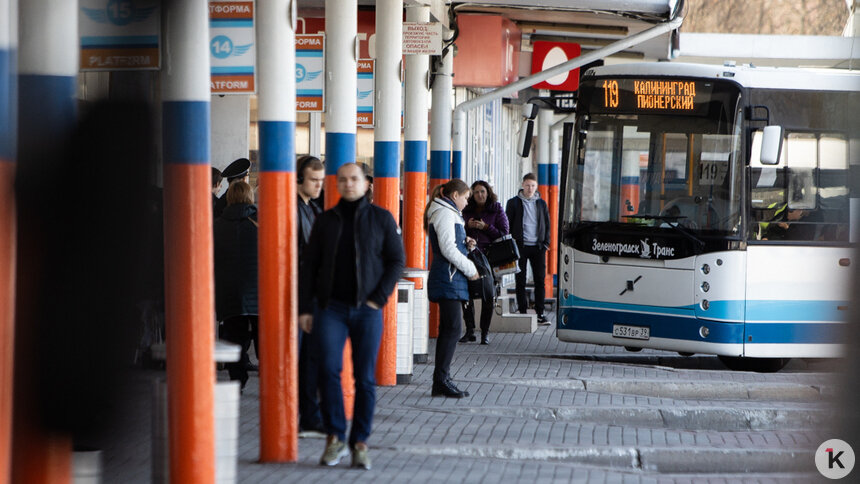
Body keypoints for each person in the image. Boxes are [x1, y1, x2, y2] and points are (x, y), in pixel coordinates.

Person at [299, 163, 405, 470]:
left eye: (354, 179)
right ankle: (335, 437)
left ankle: (360, 442)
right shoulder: (326, 221)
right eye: (342, 180)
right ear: (337, 184)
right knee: (328, 371)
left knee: (365, 378)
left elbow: (397, 261)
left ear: (365, 183)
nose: (348, 184)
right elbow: (309, 268)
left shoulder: (382, 219)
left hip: (367, 310)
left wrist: (377, 299)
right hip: (330, 308)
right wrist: (306, 308)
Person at [425, 179, 480, 398]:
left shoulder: (447, 212)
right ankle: (441, 380)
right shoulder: (445, 213)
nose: (467, 202)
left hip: (450, 276)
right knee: (453, 328)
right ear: (455, 195)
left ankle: (442, 379)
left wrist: (465, 242)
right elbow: (447, 248)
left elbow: (449, 243)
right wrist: (470, 268)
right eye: (466, 197)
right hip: (448, 276)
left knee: (450, 328)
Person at [213, 181, 259, 391]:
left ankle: (237, 381)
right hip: (258, 291)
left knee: (234, 337)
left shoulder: (217, 225)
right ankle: (269, 379)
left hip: (228, 291)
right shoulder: (260, 222)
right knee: (264, 338)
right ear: (250, 197)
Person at [296, 155, 326, 436]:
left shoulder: (310, 208)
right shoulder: (297, 210)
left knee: (311, 358)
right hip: (300, 297)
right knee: (305, 359)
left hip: (310, 294)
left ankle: (311, 414)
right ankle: (308, 416)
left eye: (321, 180)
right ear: (299, 180)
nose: (318, 186)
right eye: (313, 181)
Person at [460, 180, 509, 345]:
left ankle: (485, 332)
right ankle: (469, 330)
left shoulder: (496, 208)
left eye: (482, 191)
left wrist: (485, 227)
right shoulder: (466, 209)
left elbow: (504, 233)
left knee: (488, 294)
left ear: (488, 192)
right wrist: (468, 225)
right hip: (469, 255)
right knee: (466, 292)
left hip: (489, 257)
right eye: (476, 192)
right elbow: (458, 229)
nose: (480, 195)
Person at [506, 173, 551, 325]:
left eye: (532, 185)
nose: (530, 188)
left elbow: (547, 224)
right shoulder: (513, 203)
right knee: (520, 279)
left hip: (538, 247)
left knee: (540, 280)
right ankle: (523, 310)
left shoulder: (541, 204)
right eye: (527, 185)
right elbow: (508, 225)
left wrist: (545, 243)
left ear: (536, 187)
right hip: (520, 247)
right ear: (522, 185)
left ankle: (540, 313)